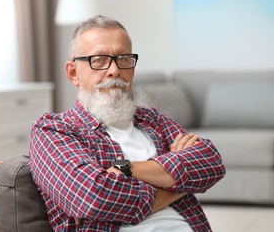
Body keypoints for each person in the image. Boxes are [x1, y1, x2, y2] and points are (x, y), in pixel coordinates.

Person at [29, 15, 226, 231]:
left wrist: (128, 169)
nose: (114, 70)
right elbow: (94, 198)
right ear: (74, 73)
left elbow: (211, 163)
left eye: (123, 58)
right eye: (99, 60)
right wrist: (181, 183)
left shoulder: (152, 120)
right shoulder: (54, 130)